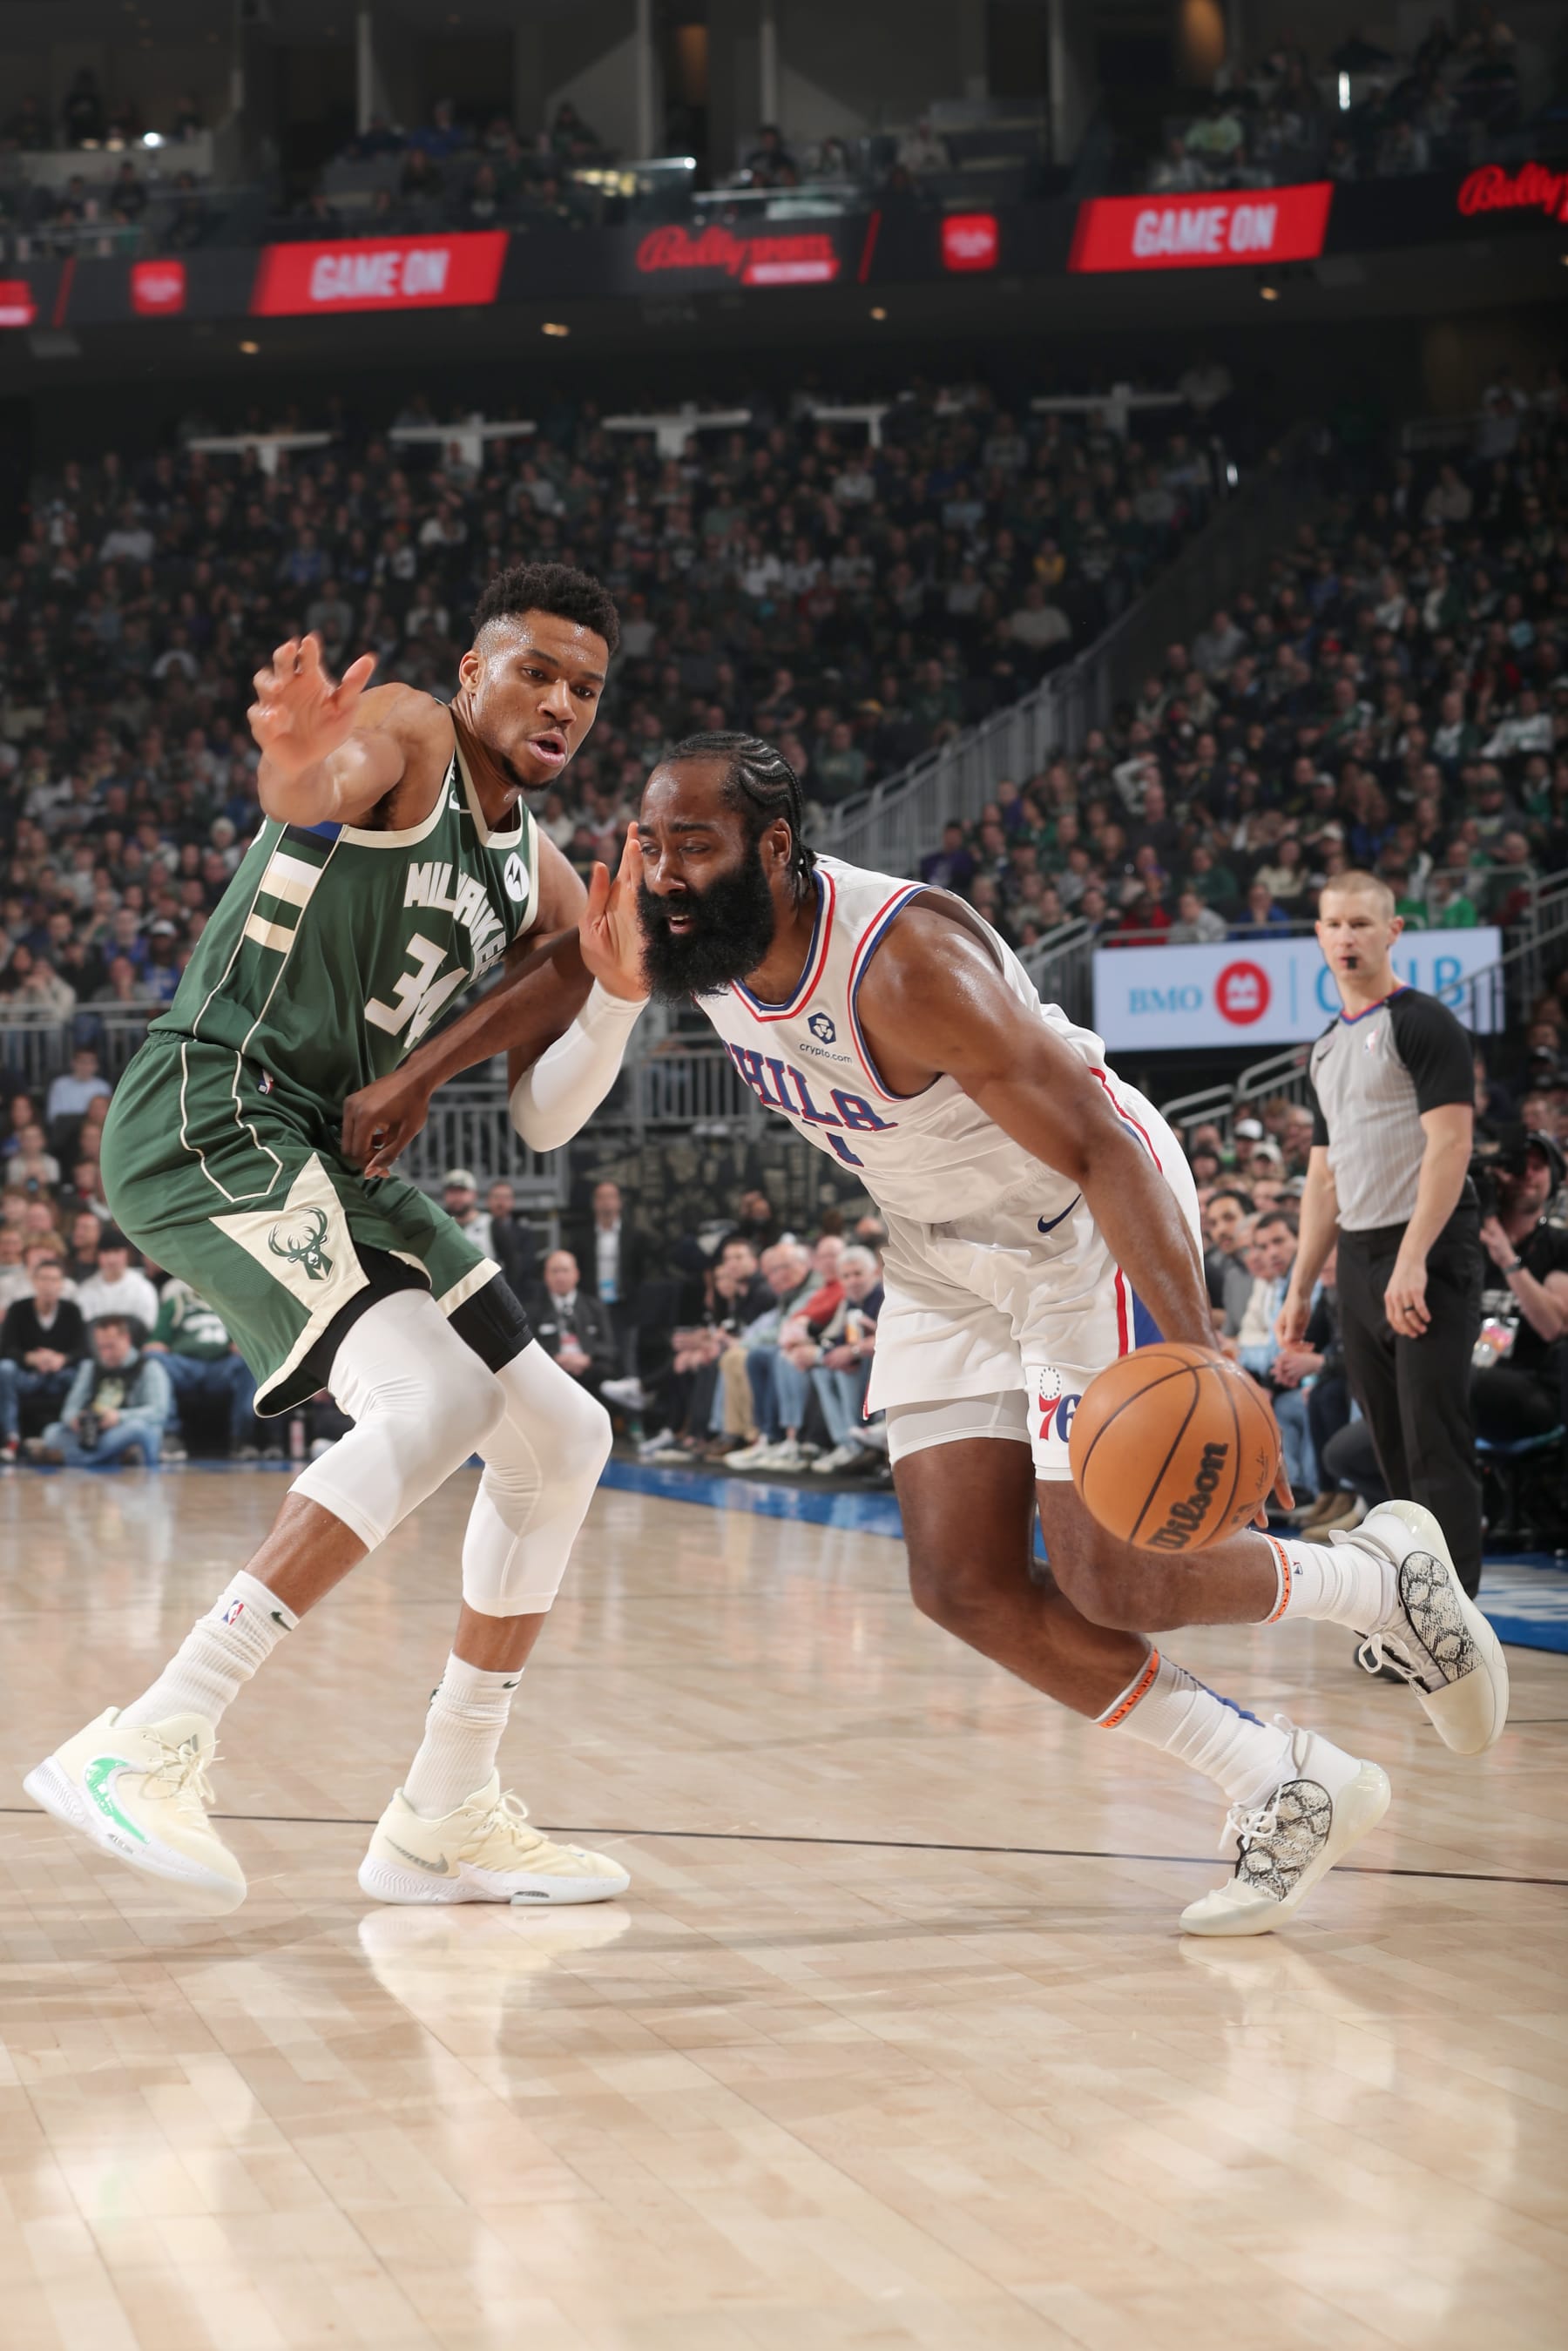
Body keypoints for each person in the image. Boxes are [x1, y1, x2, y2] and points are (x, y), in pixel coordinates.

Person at [353, 736, 1509, 1940]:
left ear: (776, 848)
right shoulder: (690, 913)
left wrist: (1207, 1353)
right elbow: (566, 972)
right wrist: (426, 1076)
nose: (660, 870)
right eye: (650, 842)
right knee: (960, 1580)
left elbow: (1103, 1146)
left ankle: (1382, 1577)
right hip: (937, 1241)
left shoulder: (908, 964)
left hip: (1079, 1215)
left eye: (691, 843)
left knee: (1115, 1572)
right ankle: (1282, 1776)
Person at [24, 565, 642, 1919]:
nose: (560, 703)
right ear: (473, 673)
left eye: (586, 688)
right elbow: (320, 784)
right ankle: (150, 1736)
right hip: (217, 1106)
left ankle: (443, 1814)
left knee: (562, 1434)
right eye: (535, 670)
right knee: (434, 1397)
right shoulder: (415, 732)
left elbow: (541, 1113)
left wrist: (595, 1001)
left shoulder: (532, 858)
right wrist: (302, 764)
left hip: (334, 1137)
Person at [1279, 873, 1487, 1598]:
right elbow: (1324, 1178)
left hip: (1427, 1246)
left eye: (1362, 924)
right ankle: (1414, 1612)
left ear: (1393, 931)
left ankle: (1457, 1625)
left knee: (1435, 1438)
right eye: (1334, 924)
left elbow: (1451, 1147)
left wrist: (1413, 1259)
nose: (1346, 937)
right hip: (1362, 1256)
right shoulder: (1325, 1048)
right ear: (1318, 934)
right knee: (1391, 1452)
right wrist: (1301, 1284)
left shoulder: (1424, 1022)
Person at [1472, 1128, 1568, 1476]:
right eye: (1517, 1166)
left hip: (1536, 1390)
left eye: (1538, 1166)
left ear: (1554, 1177)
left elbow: (1554, 1326)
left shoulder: (1559, 1244)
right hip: (1473, 1385)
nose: (1527, 1174)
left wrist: (1507, 1258)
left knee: (1460, 1382)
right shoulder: (1468, 1249)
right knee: (1346, 1452)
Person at [143, 1275, 262, 1459]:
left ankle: (242, 1439)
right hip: (185, 1366)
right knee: (153, 1359)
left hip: (220, 1367)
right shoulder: (177, 1303)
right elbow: (157, 1342)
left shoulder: (228, 1304)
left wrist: (242, 1345)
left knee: (247, 1360)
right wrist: (158, 1345)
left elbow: (241, 1341)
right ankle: (171, 1436)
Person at [33, 1314, 171, 1469]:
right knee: (51, 1433)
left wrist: (119, 1416)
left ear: (126, 1339)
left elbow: (159, 1412)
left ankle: (72, 1458)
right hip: (96, 1434)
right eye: (101, 1347)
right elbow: (68, 1411)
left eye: (111, 1346)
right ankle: (116, 1456)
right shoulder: (90, 1367)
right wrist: (76, 1420)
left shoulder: (150, 1367)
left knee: (137, 1429)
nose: (105, 1353)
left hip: (124, 1429)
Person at [0, 1254, 88, 1463]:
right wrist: (31, 1358)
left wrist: (62, 1359)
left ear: (62, 1285)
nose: (49, 1285)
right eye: (44, 1279)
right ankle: (11, 1437)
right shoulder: (18, 1309)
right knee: (5, 1369)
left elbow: (83, 1350)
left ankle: (76, 1434)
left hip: (61, 1374)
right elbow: (6, 1349)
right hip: (28, 1375)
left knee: (87, 1368)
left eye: (54, 1280)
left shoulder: (72, 1311)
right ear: (34, 1282)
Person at [527, 1249, 618, 1399]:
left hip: (589, 1371)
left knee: (606, 1370)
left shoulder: (595, 1307)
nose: (560, 1276)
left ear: (576, 1274)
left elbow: (609, 1347)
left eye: (565, 1271)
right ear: (546, 1276)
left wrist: (587, 1358)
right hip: (550, 1370)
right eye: (555, 1271)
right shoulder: (534, 1311)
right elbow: (528, 1347)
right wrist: (555, 1358)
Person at [74, 1228, 159, 1339]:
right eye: (106, 1253)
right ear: (98, 1256)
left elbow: (147, 1326)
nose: (111, 1259)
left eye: (117, 1251)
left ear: (126, 1254)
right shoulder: (85, 1290)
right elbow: (84, 1331)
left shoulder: (143, 1288)